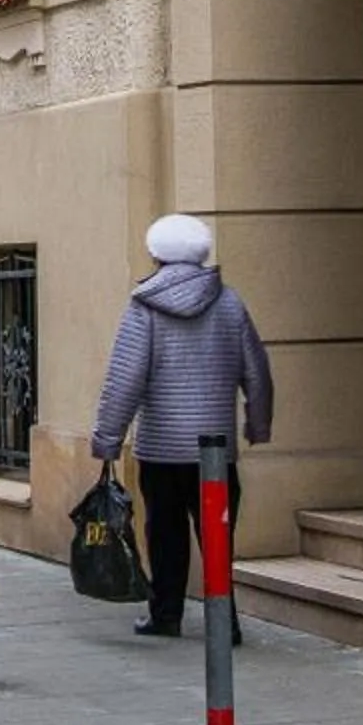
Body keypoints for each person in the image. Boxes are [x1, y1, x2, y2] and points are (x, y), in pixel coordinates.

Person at [89, 214, 273, 640]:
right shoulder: (230, 303)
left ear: (156, 254)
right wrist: (258, 423)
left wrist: (107, 439)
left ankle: (166, 613)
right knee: (217, 536)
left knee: (165, 533)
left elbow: (125, 377)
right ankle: (224, 622)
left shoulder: (144, 307)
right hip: (217, 449)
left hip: (161, 448)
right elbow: (257, 371)